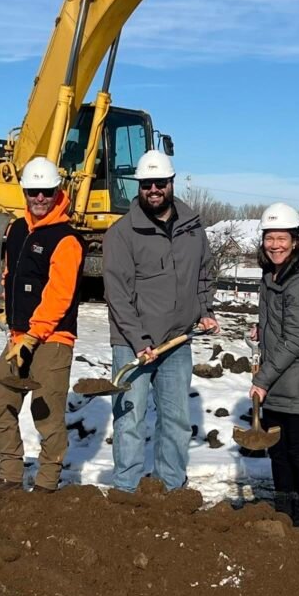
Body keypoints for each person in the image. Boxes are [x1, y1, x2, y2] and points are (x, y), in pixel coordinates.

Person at [103, 150, 219, 493]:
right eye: (146, 184)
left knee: (176, 420)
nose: (153, 189)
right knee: (130, 419)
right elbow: (118, 295)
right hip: (132, 345)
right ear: (139, 187)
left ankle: (171, 488)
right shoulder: (122, 233)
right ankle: (125, 490)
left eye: (160, 183)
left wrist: (205, 310)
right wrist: (139, 342)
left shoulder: (192, 229)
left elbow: (204, 274)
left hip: (176, 342)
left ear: (171, 183)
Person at [0, 157, 85, 493]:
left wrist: (33, 336)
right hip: (19, 337)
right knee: (1, 403)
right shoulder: (16, 230)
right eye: (33, 191)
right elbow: (11, 276)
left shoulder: (66, 239)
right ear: (25, 192)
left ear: (57, 191)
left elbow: (59, 295)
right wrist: (8, 312)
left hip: (53, 339)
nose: (40, 197)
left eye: (46, 191)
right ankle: (10, 475)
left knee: (46, 412)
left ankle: (46, 482)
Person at [248, 202, 299, 531]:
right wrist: (262, 329)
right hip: (280, 377)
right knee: (279, 451)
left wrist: (262, 380)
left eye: (281, 238)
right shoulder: (273, 275)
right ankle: (284, 514)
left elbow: (297, 339)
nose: (275, 245)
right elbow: (282, 323)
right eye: (269, 238)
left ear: (296, 240)